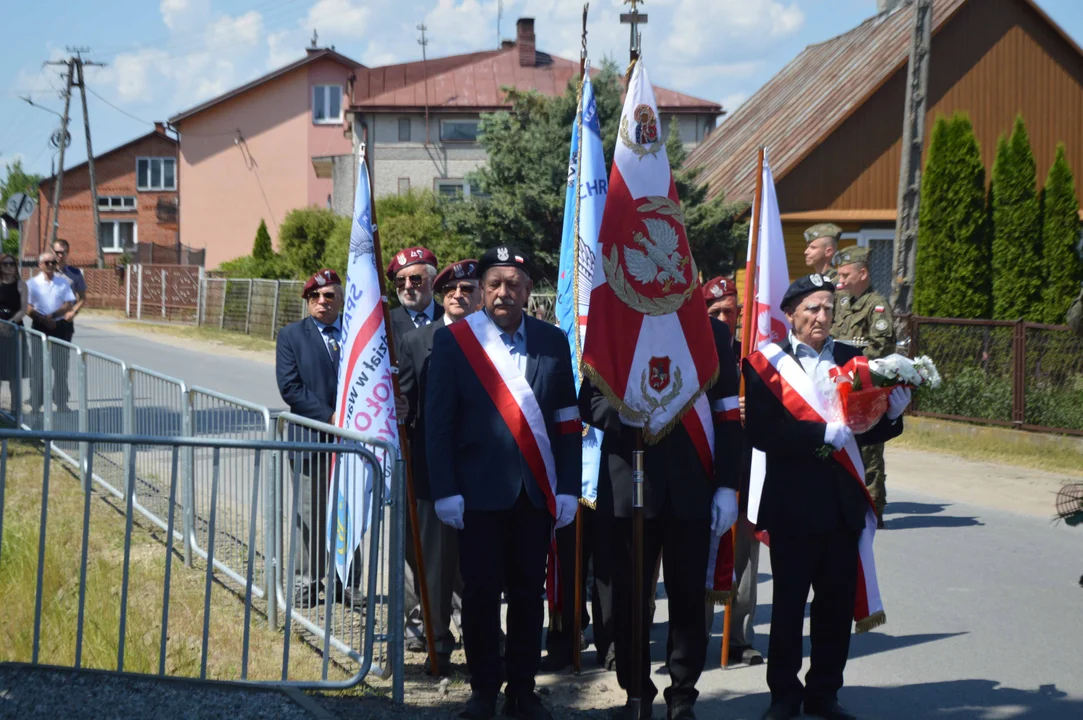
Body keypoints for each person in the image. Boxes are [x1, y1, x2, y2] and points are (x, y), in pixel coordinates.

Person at [743, 274, 910, 720]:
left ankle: (824, 693)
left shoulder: (853, 358)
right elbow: (762, 432)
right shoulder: (764, 363)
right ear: (791, 314)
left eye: (828, 308)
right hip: (793, 506)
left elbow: (868, 426)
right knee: (788, 607)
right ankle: (783, 696)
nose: (822, 316)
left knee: (834, 608)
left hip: (840, 506)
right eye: (812, 308)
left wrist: (892, 416)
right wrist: (820, 433)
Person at [426, 245, 581, 720]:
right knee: (479, 595)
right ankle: (483, 689)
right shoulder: (456, 343)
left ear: (529, 291)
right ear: (480, 290)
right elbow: (439, 423)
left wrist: (570, 486)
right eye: (493, 283)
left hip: (535, 493)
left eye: (513, 284)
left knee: (528, 595)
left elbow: (567, 421)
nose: (502, 293)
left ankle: (523, 689)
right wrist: (445, 489)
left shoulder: (553, 341)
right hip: (477, 495)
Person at [581, 315, 743, 720]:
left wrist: (727, 484)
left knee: (688, 596)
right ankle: (636, 693)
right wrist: (622, 417)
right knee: (627, 597)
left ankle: (683, 693)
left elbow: (726, 412)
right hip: (628, 483)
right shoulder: (617, 324)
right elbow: (589, 399)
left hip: (693, 483)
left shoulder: (712, 332)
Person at [398, 258, 481, 676]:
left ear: (479, 294)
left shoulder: (494, 338)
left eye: (467, 289)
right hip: (434, 473)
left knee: (481, 568)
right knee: (435, 568)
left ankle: (483, 642)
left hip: (486, 474)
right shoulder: (418, 341)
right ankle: (437, 645)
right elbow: (408, 403)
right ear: (441, 294)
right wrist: (398, 408)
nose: (458, 296)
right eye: (451, 290)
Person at [275, 269, 355, 606]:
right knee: (310, 514)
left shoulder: (354, 334)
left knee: (349, 512)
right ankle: (307, 581)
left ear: (340, 299)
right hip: (312, 438)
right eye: (314, 297)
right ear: (308, 302)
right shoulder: (292, 335)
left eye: (329, 296)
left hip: (352, 442)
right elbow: (290, 387)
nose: (322, 302)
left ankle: (346, 582)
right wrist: (329, 417)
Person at [702, 276, 763, 667]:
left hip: (744, 474)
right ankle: (695, 633)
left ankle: (739, 638)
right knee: (702, 564)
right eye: (716, 312)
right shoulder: (693, 353)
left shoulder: (751, 361)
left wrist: (752, 411)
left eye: (731, 311)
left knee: (745, 563)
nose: (725, 318)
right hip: (702, 476)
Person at [833, 247, 895, 530]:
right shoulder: (842, 301)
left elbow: (880, 346)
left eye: (845, 274)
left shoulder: (877, 305)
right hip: (840, 386)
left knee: (869, 450)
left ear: (863, 273)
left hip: (866, 388)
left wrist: (851, 369)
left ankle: (874, 508)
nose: (840, 279)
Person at [26, 252, 75, 413]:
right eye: (46, 262)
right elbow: (28, 307)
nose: (50, 265)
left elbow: (68, 304)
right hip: (40, 327)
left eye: (53, 262)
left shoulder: (63, 283)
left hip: (59, 327)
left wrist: (53, 316)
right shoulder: (32, 283)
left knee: (60, 366)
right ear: (40, 264)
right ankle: (35, 402)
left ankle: (61, 402)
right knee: (38, 366)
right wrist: (42, 319)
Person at [388, 246, 443, 347]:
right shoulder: (385, 325)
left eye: (416, 279)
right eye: (401, 280)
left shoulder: (450, 319)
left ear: (433, 281)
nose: (407, 286)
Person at [0, 253, 28, 404]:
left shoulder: (21, 285)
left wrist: (9, 324)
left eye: (12, 263)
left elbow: (23, 309)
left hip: (14, 331)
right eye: (5, 264)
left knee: (14, 374)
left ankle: (15, 409)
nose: (9, 266)